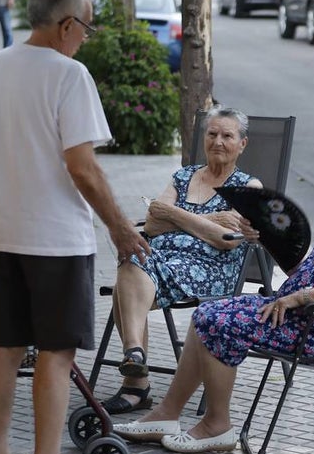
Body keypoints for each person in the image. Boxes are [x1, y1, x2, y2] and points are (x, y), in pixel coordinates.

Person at [0, 0, 152, 454]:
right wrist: (120, 226)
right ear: (67, 24)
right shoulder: (69, 75)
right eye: (86, 28)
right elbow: (82, 167)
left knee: (3, 346)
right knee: (55, 351)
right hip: (56, 240)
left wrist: (13, 186)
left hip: (0, 232)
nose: (86, 39)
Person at [114, 151, 314, 454]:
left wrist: (304, 296)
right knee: (207, 313)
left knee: (218, 321)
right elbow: (302, 273)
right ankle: (166, 414)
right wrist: (264, 238)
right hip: (305, 315)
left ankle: (216, 425)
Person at [100, 107, 262, 415]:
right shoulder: (184, 176)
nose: (218, 141)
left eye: (227, 136)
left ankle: (135, 381)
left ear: (242, 144)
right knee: (133, 256)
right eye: (212, 133)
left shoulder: (248, 188)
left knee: (129, 274)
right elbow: (152, 224)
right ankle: (135, 355)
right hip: (161, 261)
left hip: (211, 269)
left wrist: (172, 214)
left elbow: (225, 239)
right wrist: (211, 219)